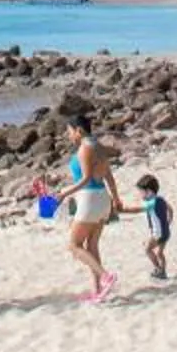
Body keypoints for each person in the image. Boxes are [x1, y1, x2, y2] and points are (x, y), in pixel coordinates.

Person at [56, 113, 122, 303]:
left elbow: (85, 179)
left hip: (90, 199)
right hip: (102, 199)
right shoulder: (99, 146)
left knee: (74, 245)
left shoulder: (85, 148)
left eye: (69, 132)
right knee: (92, 246)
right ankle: (98, 290)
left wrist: (63, 194)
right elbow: (109, 175)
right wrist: (116, 199)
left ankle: (106, 277)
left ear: (79, 130)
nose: (68, 136)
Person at [134, 174, 173, 280]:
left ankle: (158, 269)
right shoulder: (161, 199)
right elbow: (170, 209)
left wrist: (122, 209)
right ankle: (163, 271)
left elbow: (136, 210)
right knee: (160, 253)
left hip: (158, 234)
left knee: (147, 250)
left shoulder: (151, 203)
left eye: (141, 191)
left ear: (149, 191)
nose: (139, 194)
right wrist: (169, 220)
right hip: (166, 232)